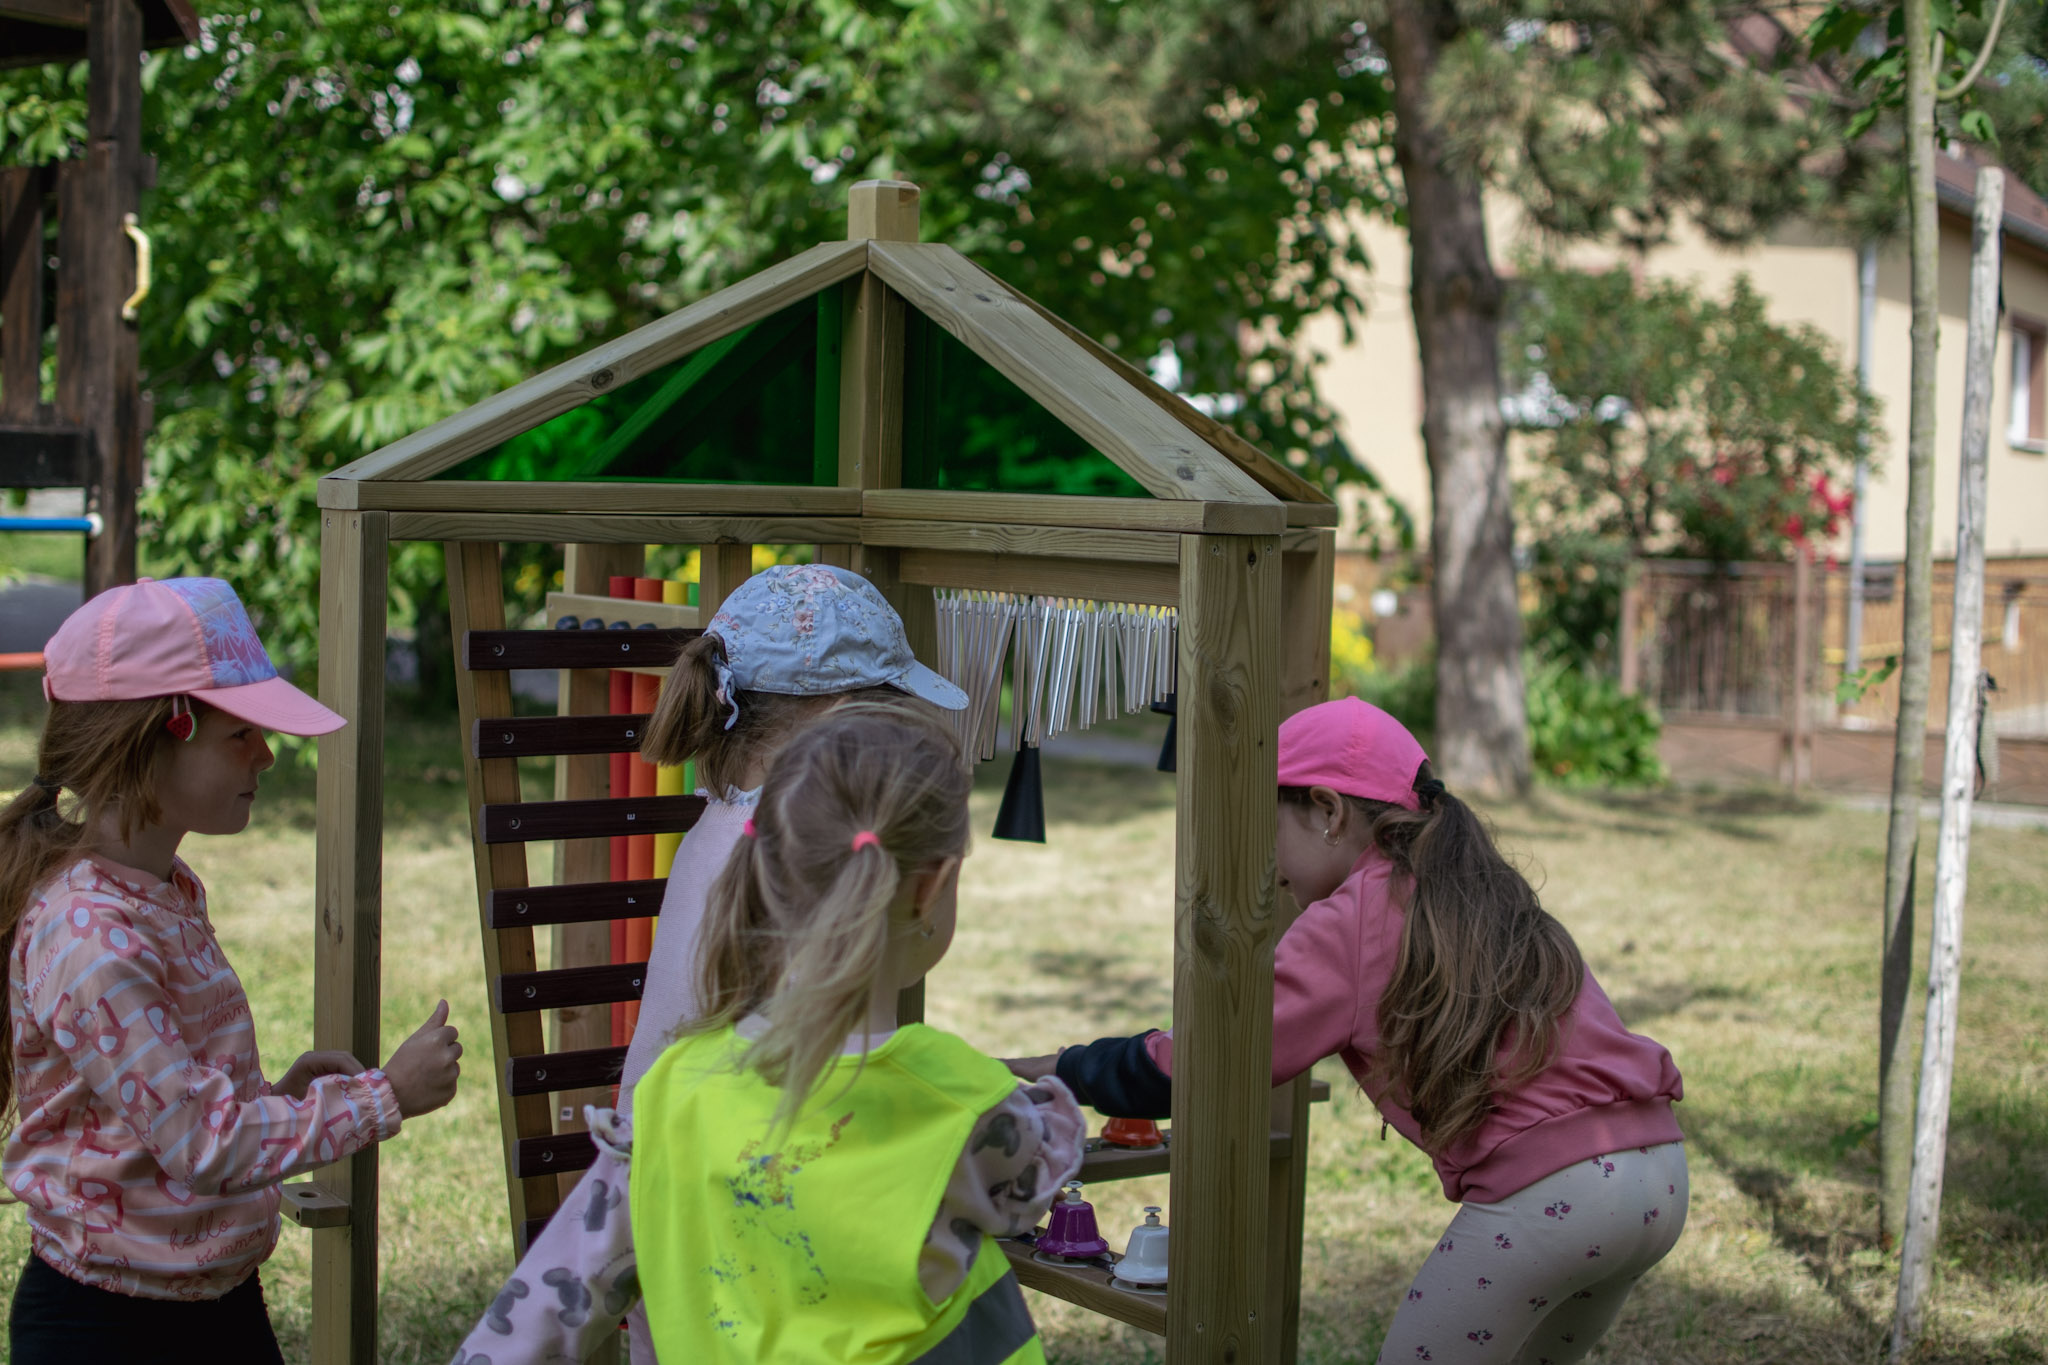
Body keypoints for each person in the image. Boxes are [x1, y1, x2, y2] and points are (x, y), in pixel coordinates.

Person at [1009, 697, 1687, 1365]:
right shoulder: (1479, 887)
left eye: (1269, 831)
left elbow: (1213, 1059)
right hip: (1656, 1174)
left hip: (1555, 1197)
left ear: (1328, 811)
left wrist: (1064, 1066)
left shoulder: (1353, 917)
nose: (1270, 867)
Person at [450, 707, 1082, 1365]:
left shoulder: (672, 1092)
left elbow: (549, 1303)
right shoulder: (958, 1098)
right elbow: (1031, 1184)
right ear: (933, 889)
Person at [0, 577, 464, 1365]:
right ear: (152, 738)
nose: (267, 755)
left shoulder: (163, 888)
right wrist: (384, 1094)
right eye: (239, 734)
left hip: (213, 1306)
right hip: (108, 1330)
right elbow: (200, 1143)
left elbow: (159, 1118)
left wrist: (276, 1097)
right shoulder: (91, 936)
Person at [617, 563, 970, 1360]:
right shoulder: (797, 863)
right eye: (898, 718)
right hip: (739, 1235)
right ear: (844, 723)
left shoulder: (729, 820)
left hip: (668, 1205)